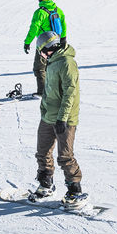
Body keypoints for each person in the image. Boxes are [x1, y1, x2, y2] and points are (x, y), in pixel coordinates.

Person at [33, 31, 83, 203]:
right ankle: (46, 184)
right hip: (48, 115)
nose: (41, 55)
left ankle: (75, 190)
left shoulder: (67, 63)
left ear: (48, 49)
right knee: (43, 152)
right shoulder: (52, 62)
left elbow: (70, 93)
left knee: (65, 156)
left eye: (41, 51)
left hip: (65, 118)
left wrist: (62, 118)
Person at [24, 0, 67, 97]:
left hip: (44, 44)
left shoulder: (40, 13)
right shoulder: (58, 10)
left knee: (39, 68)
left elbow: (34, 28)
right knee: (52, 67)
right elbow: (63, 25)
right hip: (57, 42)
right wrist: (63, 39)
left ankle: (42, 92)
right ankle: (55, 90)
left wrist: (27, 42)